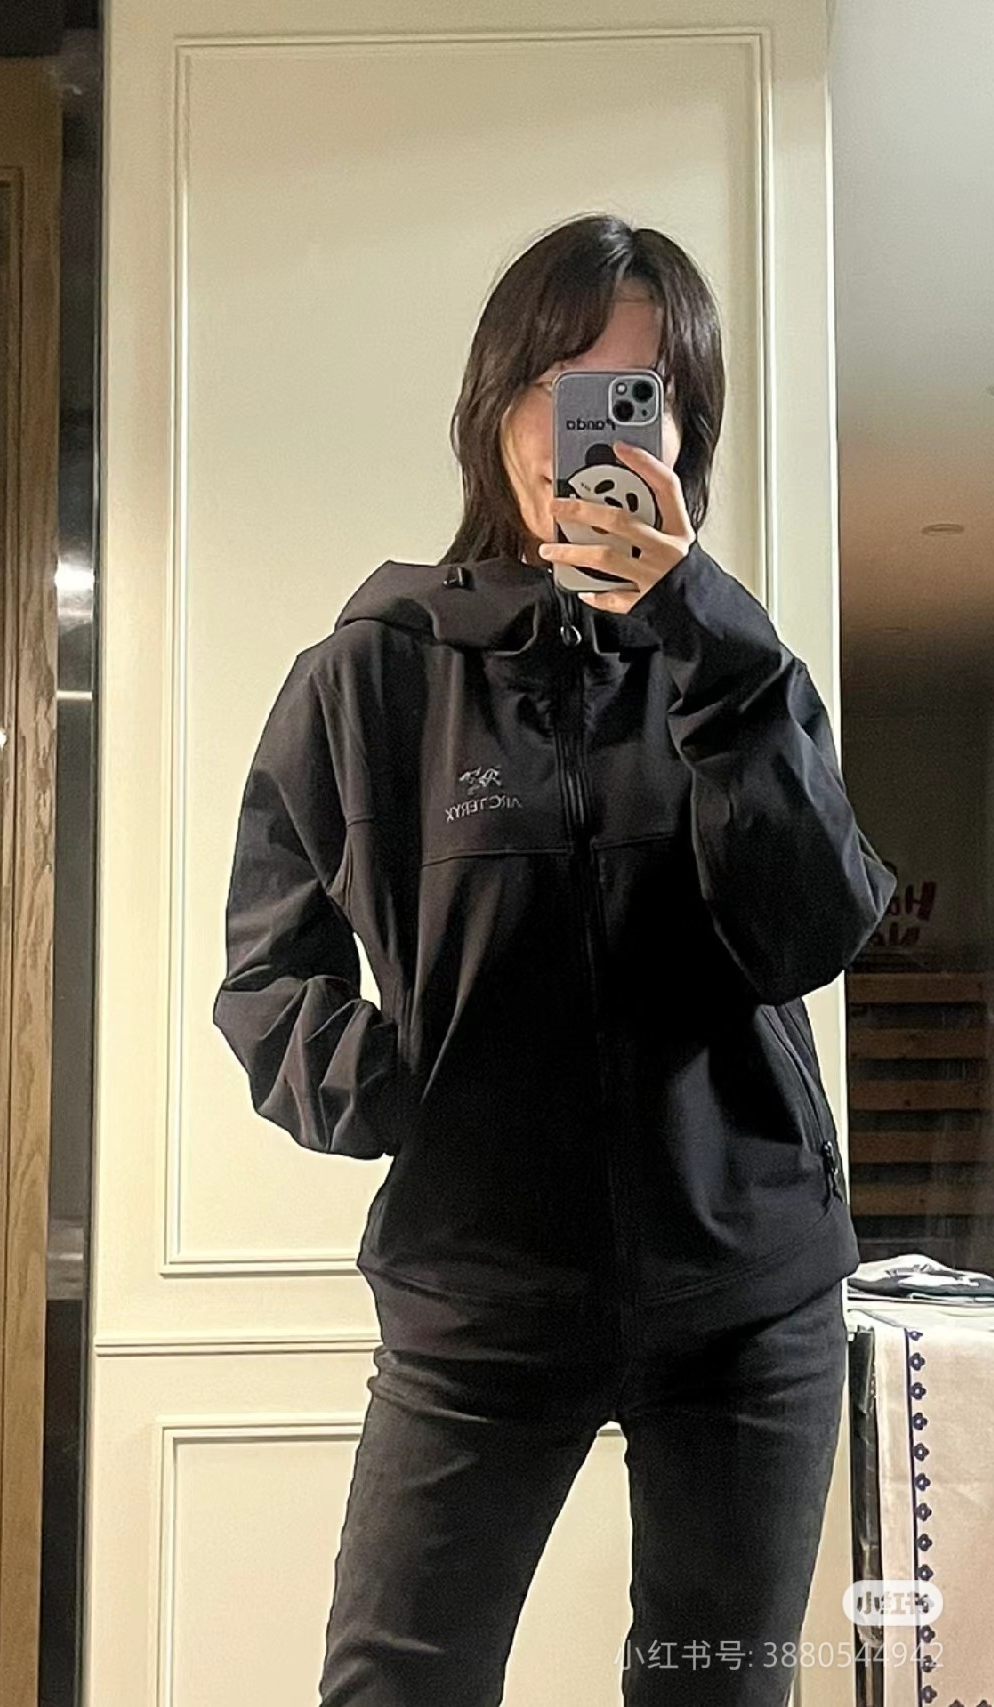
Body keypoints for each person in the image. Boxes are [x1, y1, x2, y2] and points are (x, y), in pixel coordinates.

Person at [212, 212, 897, 1705]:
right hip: (480, 1295)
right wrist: (389, 1087)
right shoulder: (371, 677)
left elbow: (815, 931)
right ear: (495, 404)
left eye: (637, 393)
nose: (589, 427)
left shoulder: (735, 669)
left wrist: (710, 651)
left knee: (716, 1685)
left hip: (747, 1292)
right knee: (398, 1683)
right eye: (558, 382)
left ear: (682, 432)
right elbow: (265, 974)